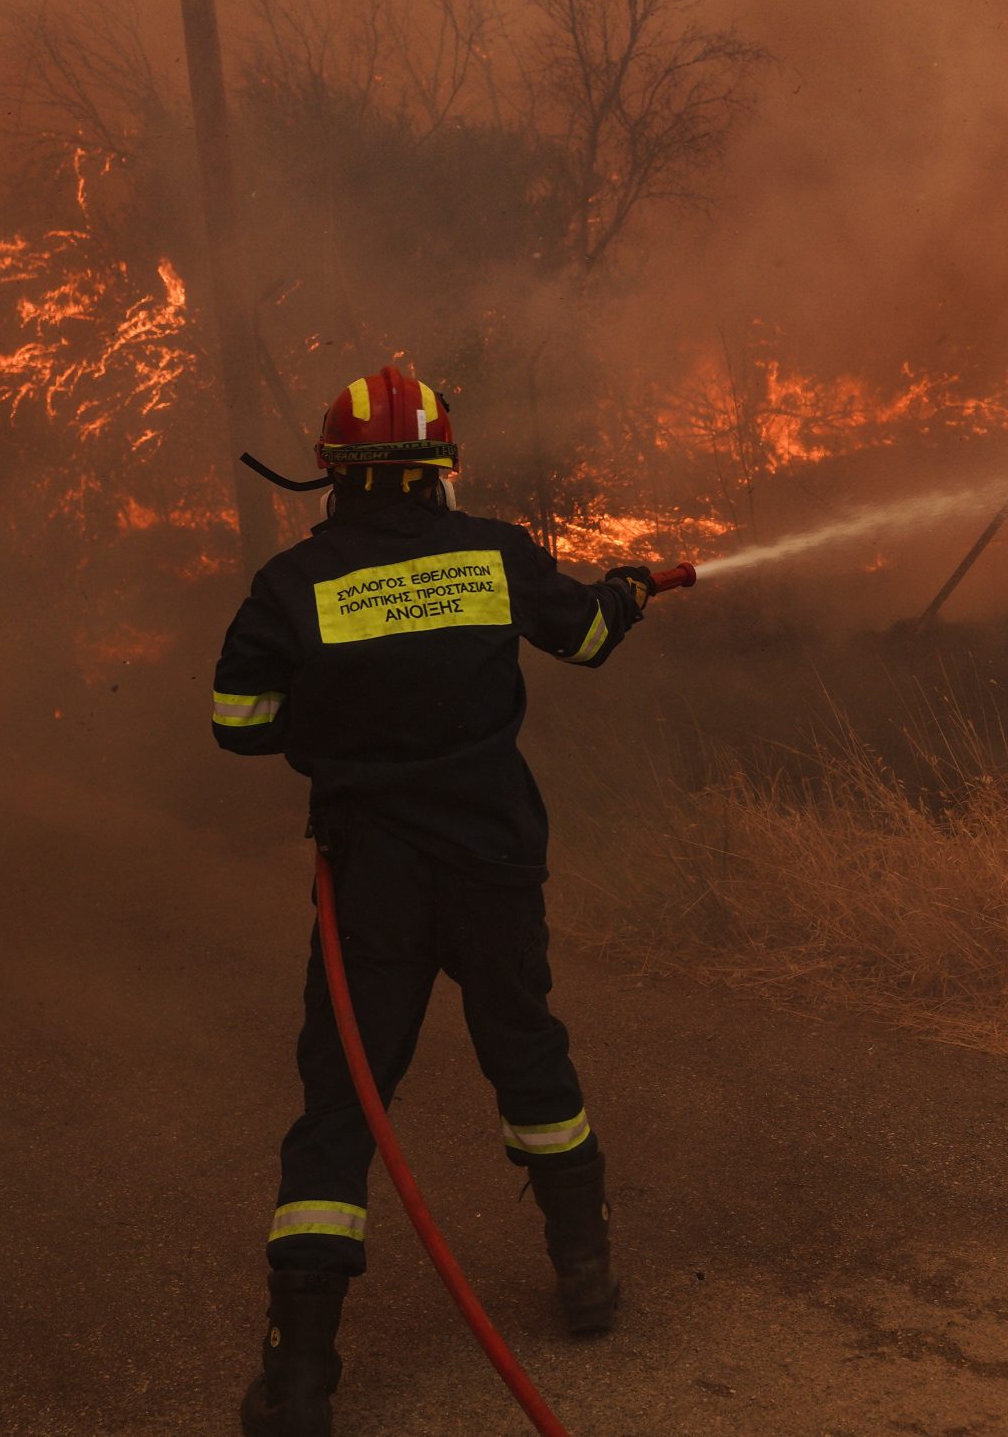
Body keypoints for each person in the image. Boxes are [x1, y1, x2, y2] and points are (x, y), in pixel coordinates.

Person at [210, 364, 653, 1437]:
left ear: (334, 475)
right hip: (493, 858)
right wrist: (626, 592)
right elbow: (587, 638)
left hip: (371, 877)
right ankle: (586, 1275)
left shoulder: (292, 581)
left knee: (343, 1102)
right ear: (437, 471)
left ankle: (299, 1378)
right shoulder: (492, 553)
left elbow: (238, 719)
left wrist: (332, 728)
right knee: (526, 1051)